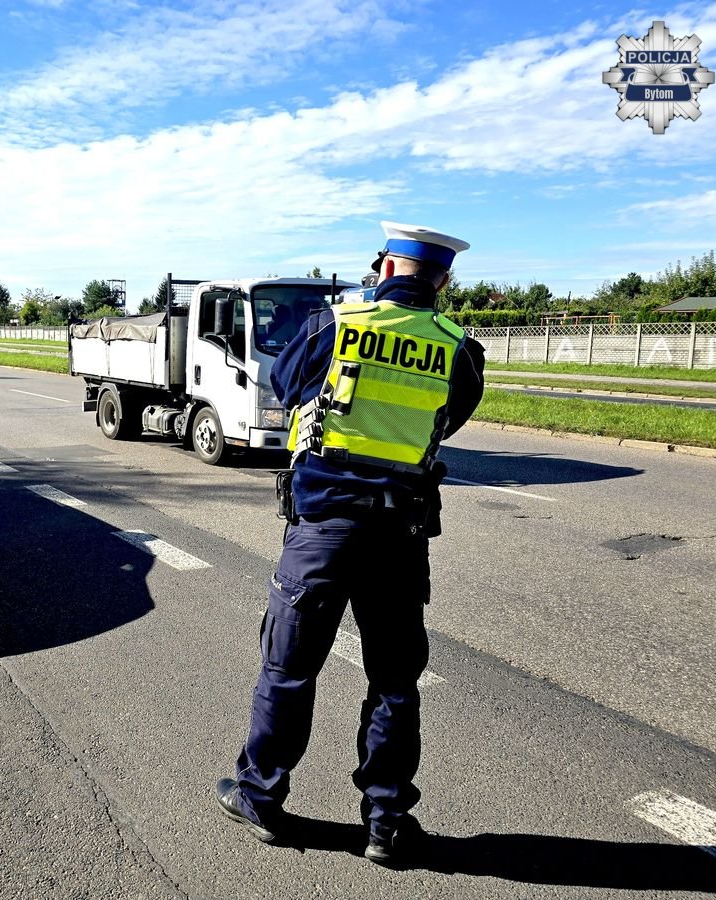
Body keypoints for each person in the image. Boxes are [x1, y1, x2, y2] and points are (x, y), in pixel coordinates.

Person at [216, 221, 486, 867]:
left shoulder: (332, 323)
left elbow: (287, 387)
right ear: (443, 280)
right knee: (394, 683)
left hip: (324, 530)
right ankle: (387, 822)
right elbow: (450, 418)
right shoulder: (459, 347)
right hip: (401, 532)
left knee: (288, 669)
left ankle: (261, 796)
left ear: (384, 267)